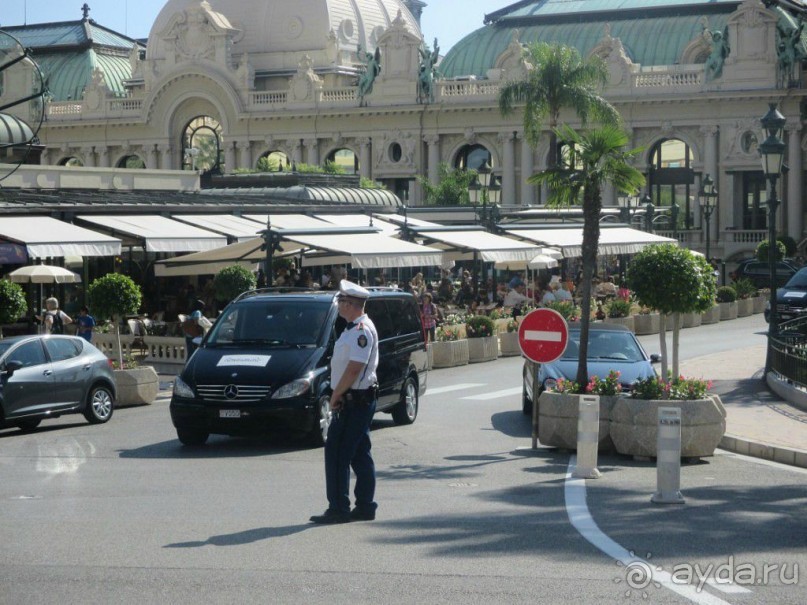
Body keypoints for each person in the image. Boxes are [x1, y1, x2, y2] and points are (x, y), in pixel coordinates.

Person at [310, 280, 380, 524]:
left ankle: (339, 507)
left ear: (352, 304)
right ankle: (365, 506)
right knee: (360, 453)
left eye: (341, 301)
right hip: (355, 399)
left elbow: (354, 369)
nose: (339, 305)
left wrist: (336, 394)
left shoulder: (361, 330)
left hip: (355, 400)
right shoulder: (353, 328)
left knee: (338, 452)